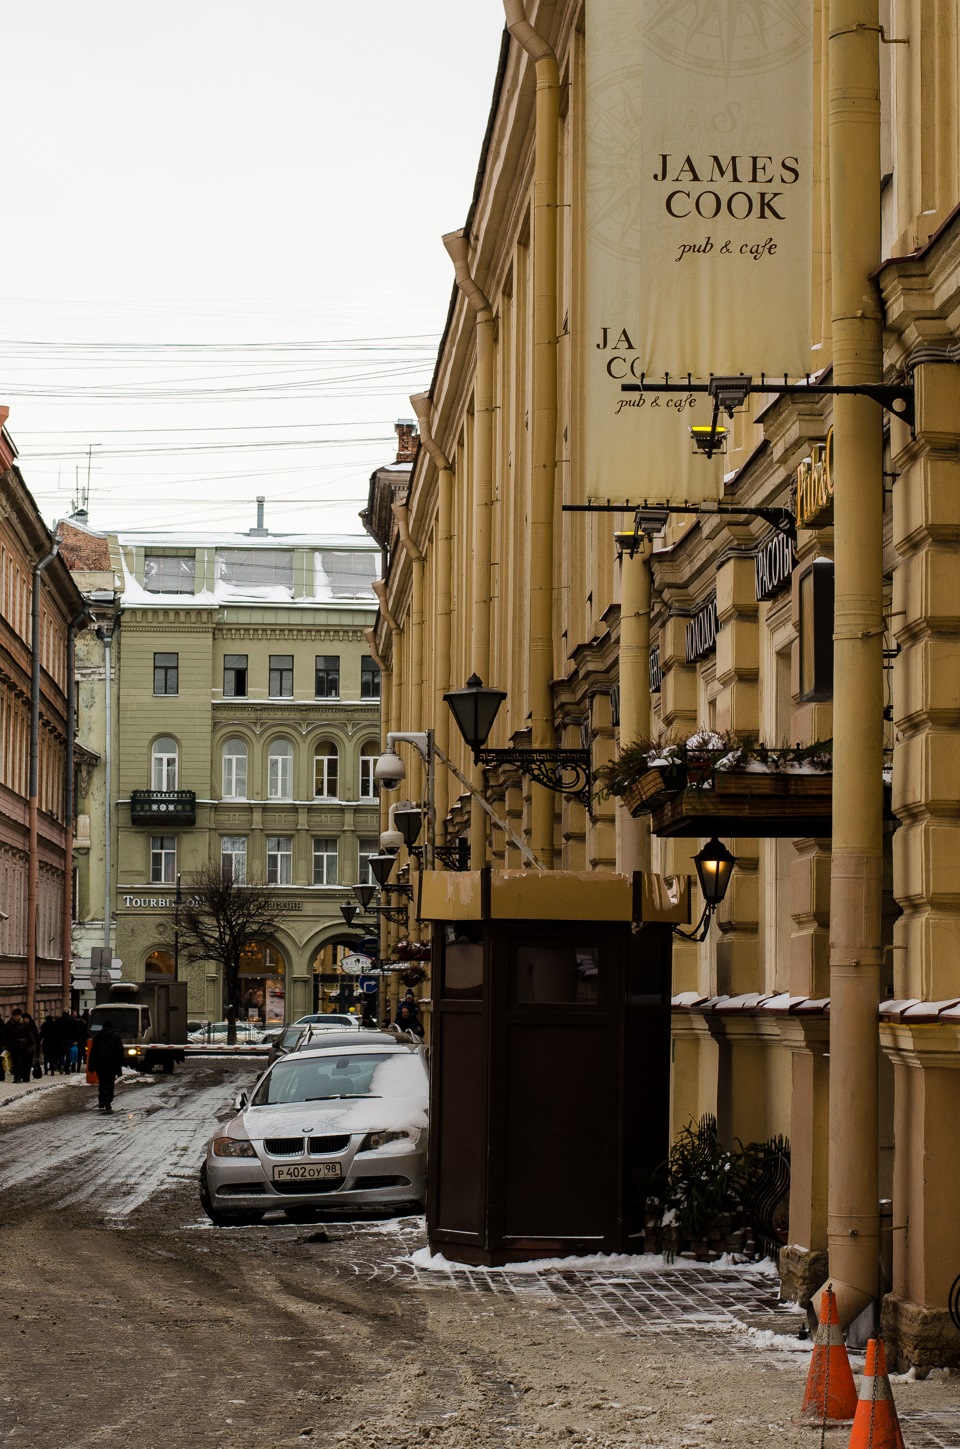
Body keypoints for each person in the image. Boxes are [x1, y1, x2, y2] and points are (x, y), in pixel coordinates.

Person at [87, 1019, 125, 1112]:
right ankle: (108, 1101)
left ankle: (101, 1101)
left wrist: (91, 1066)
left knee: (102, 1082)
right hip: (111, 1063)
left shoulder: (97, 1037)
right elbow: (119, 1051)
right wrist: (120, 1063)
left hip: (100, 1063)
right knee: (110, 1082)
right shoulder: (116, 1036)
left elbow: (93, 1053)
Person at [7, 1007, 39, 1083]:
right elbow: (6, 1035)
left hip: (23, 1046)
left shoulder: (25, 1024)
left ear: (20, 1016)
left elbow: (29, 1035)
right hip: (13, 1046)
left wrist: (32, 1045)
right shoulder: (9, 1024)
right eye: (14, 1016)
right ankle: (17, 1078)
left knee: (20, 1061)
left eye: (17, 1016)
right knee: (15, 1062)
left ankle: (19, 1078)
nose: (15, 1017)